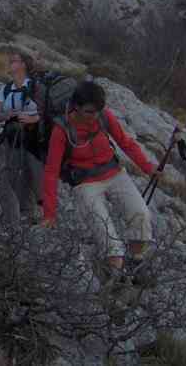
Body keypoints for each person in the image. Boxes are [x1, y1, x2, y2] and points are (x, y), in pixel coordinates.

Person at [41, 81, 160, 276]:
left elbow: (125, 142)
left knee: (141, 215)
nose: (94, 116)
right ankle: (116, 280)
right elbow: (51, 171)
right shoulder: (61, 130)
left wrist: (148, 167)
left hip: (115, 173)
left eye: (98, 111)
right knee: (108, 238)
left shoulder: (104, 116)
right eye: (89, 112)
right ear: (75, 107)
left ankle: (135, 266)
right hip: (85, 184)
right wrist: (49, 214)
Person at [0, 49, 43, 226]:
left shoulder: (36, 86)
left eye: (13, 60)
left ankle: (45, 216)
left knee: (36, 179)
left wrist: (31, 118)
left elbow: (47, 113)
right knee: (14, 178)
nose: (10, 63)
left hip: (34, 139)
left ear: (23, 64)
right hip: (12, 137)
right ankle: (24, 218)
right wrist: (7, 115)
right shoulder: (5, 89)